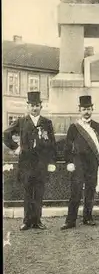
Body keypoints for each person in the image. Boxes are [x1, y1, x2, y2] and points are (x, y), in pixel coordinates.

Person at [3, 91, 57, 230]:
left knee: (39, 193)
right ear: (28, 106)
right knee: (27, 193)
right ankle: (27, 221)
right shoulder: (22, 122)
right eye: (32, 105)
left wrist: (51, 162)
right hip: (26, 164)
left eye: (37, 105)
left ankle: (37, 221)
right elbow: (6, 134)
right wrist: (16, 148)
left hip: (41, 164)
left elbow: (52, 144)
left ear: (41, 106)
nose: (34, 108)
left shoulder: (47, 123)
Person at [61, 95, 99, 230]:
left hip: (92, 162)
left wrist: (96, 152)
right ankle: (70, 221)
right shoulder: (74, 127)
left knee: (90, 190)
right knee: (75, 191)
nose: (86, 111)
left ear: (92, 109)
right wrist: (69, 161)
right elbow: (67, 146)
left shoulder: (98, 127)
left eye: (88, 108)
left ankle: (88, 218)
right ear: (79, 110)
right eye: (84, 109)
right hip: (78, 162)